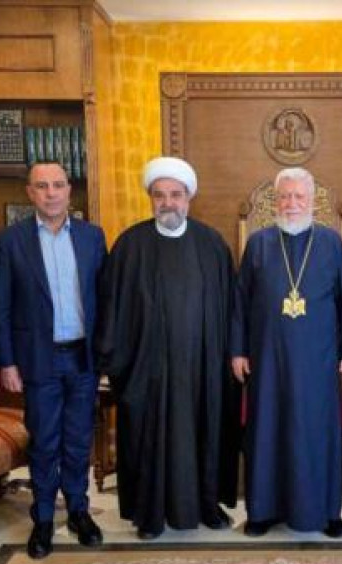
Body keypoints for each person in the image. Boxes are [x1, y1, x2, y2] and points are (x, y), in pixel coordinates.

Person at [96, 156, 238, 540]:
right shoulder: (130, 245)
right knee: (149, 439)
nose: (168, 203)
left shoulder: (212, 244)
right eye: (159, 195)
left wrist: (231, 355)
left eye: (176, 195)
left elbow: (231, 307)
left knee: (204, 433)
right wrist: (111, 360)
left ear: (188, 198)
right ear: (151, 199)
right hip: (147, 369)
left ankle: (206, 505)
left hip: (201, 367)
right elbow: (111, 307)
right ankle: (150, 514)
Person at [231, 167, 342, 537]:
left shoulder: (331, 243)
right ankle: (263, 511)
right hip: (267, 358)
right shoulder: (258, 243)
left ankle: (326, 512)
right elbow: (240, 302)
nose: (291, 203)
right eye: (284, 196)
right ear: (276, 201)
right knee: (268, 430)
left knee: (316, 431)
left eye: (299, 196)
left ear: (312, 201)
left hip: (318, 359)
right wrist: (238, 350)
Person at [0, 161, 106, 559]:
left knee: (78, 439)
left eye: (58, 185)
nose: (51, 193)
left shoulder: (92, 237)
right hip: (38, 359)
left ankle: (78, 511)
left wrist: (105, 353)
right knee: (44, 441)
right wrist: (7, 362)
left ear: (69, 190)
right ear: (30, 193)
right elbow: (1, 306)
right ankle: (42, 518)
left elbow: (104, 298)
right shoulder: (11, 241)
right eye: (42, 186)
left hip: (83, 357)